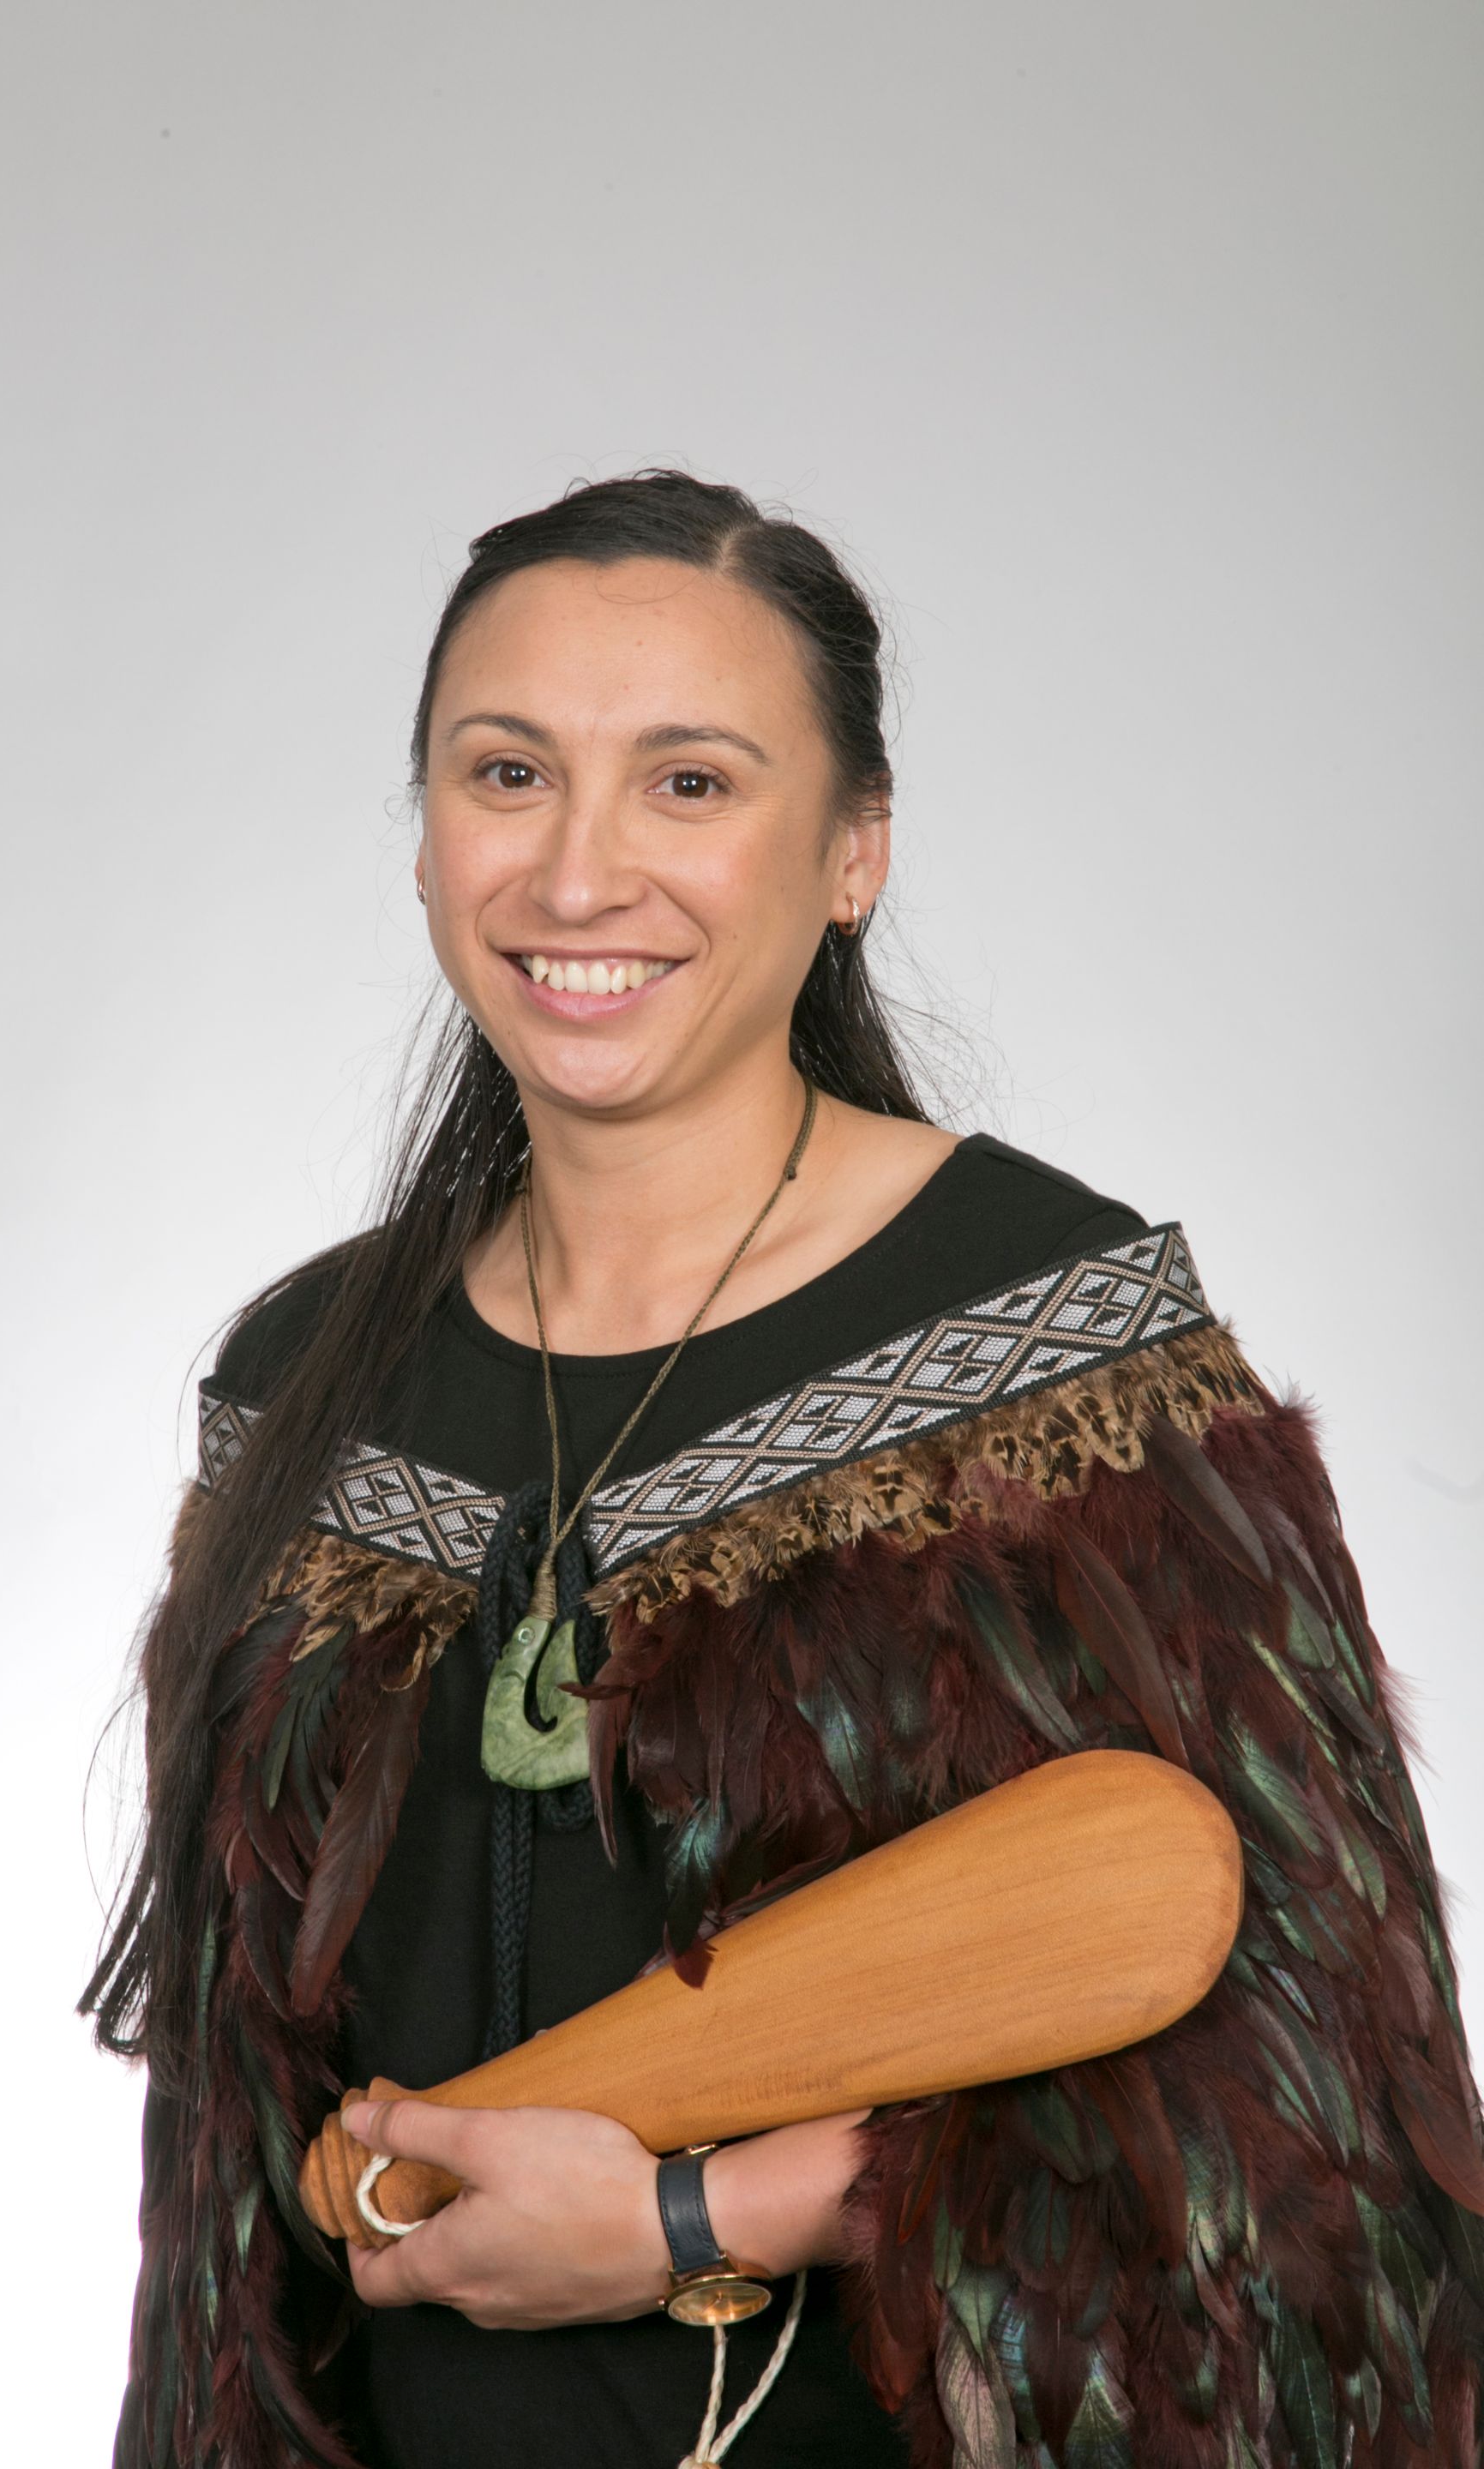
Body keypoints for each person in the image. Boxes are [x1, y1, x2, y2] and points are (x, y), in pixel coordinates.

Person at [84, 471, 1484, 2469]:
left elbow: (1318, 2097)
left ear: (852, 855)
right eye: (508, 774)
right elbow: (230, 2185)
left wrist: (689, 2217)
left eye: (690, 784)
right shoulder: (309, 1381)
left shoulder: (1054, 1348)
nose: (580, 874)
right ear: (425, 835)